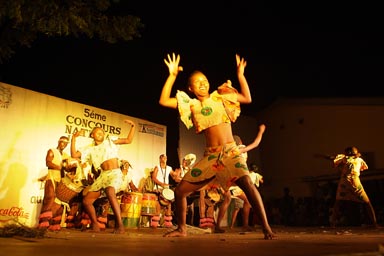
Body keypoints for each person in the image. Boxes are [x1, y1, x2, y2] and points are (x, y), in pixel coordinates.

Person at [159, 52, 275, 239]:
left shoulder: (220, 96)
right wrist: (172, 76)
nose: (203, 83)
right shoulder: (191, 105)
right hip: (211, 156)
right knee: (180, 191)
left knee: (247, 184)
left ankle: (266, 228)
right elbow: (164, 100)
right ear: (190, 88)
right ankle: (182, 229)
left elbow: (247, 98)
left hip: (231, 152)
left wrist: (240, 76)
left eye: (204, 80)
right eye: (197, 82)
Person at [70, 119, 136, 233]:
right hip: (103, 176)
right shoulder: (89, 148)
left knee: (110, 191)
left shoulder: (110, 140)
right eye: (98, 131)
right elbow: (74, 155)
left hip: (114, 173)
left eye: (102, 132)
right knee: (86, 201)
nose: (101, 133)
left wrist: (133, 127)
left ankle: (120, 225)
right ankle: (95, 225)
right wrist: (74, 138)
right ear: (92, 135)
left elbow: (128, 140)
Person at [215, 124, 266, 233]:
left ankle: (241, 225)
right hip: (234, 179)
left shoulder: (227, 151)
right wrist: (261, 131)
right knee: (240, 199)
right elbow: (255, 143)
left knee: (235, 200)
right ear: (240, 142)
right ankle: (244, 225)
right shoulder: (238, 150)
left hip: (229, 179)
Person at [327, 146, 378, 228]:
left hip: (344, 181)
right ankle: (374, 223)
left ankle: (333, 223)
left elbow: (333, 158)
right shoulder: (357, 159)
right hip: (354, 181)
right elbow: (363, 167)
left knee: (338, 202)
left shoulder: (345, 158)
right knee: (367, 202)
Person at [38, 136, 71, 229]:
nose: (64, 144)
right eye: (62, 142)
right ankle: (43, 224)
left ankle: (54, 224)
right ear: (59, 142)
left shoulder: (66, 155)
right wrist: (59, 167)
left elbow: (69, 167)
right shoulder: (52, 151)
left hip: (61, 181)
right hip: (52, 178)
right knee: (50, 198)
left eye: (66, 143)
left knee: (59, 202)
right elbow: (48, 163)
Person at [151, 154, 178, 227]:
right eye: (163, 158)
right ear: (160, 159)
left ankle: (167, 222)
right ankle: (155, 222)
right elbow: (153, 178)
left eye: (166, 158)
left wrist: (178, 172)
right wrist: (161, 184)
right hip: (158, 187)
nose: (165, 159)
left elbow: (174, 175)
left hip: (166, 188)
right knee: (158, 204)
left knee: (168, 204)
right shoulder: (157, 167)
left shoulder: (169, 168)